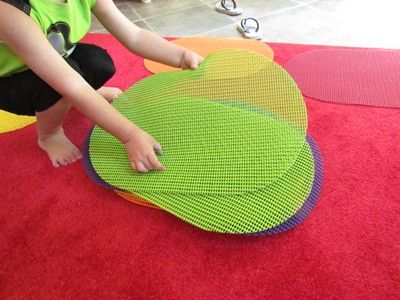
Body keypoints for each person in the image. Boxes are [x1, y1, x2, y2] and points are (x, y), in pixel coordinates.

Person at [0, 0, 203, 173]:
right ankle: (49, 135)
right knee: (58, 86)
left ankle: (84, 97)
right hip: (10, 80)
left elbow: (134, 35)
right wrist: (130, 135)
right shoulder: (9, 10)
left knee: (98, 63)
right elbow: (68, 83)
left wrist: (180, 56)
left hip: (54, 63)